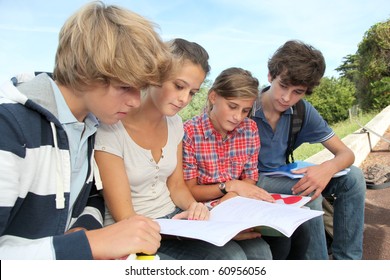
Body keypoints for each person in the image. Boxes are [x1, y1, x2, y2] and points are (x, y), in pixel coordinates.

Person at [0, 1, 176, 260]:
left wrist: (85, 230)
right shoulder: (10, 127)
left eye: (140, 89)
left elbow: (91, 196)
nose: (136, 101)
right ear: (85, 71)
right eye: (125, 87)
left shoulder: (92, 126)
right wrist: (89, 244)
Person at [94, 39, 249, 260]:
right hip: (135, 233)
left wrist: (194, 207)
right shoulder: (112, 127)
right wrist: (179, 232)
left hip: (174, 220)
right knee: (231, 259)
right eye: (178, 86)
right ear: (155, 76)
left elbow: (176, 185)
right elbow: (125, 216)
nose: (184, 99)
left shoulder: (175, 124)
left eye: (193, 92)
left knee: (250, 252)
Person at [252, 40, 366, 260]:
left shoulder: (301, 111)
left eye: (298, 92)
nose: (287, 98)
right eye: (283, 86)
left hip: (285, 175)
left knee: (354, 177)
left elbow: (346, 154)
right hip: (252, 180)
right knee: (307, 189)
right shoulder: (244, 108)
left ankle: (349, 262)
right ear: (270, 75)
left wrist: (327, 168)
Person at [182, 67, 306, 260]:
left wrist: (234, 192)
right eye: (232, 106)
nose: (238, 117)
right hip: (203, 211)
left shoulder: (249, 128)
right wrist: (230, 187)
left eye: (245, 110)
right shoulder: (190, 132)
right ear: (213, 97)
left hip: (238, 203)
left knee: (285, 238)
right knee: (259, 253)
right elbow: (190, 190)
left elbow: (250, 177)